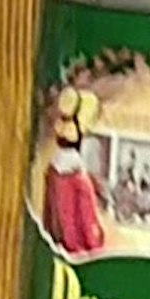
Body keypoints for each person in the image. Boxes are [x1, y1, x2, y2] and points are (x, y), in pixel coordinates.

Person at [40, 86, 107, 255]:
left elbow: (48, 217)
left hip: (57, 249)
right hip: (79, 255)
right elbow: (89, 226)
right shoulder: (78, 178)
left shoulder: (52, 171)